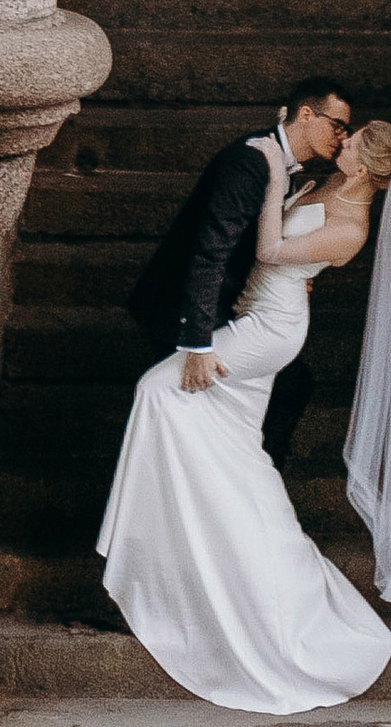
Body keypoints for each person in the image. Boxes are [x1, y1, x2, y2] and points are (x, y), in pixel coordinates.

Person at [97, 117, 391, 713]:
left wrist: (273, 176)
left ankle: (160, 555)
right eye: (342, 131)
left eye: (351, 140)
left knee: (158, 391)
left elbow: (272, 250)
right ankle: (178, 556)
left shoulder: (351, 225)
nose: (341, 141)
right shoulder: (330, 189)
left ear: (365, 164)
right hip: (252, 316)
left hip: (270, 332)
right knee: (233, 450)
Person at [126, 77, 352, 470]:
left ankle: (254, 489)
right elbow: (210, 251)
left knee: (288, 388)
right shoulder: (251, 161)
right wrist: (197, 344)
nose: (342, 136)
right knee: (201, 419)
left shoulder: (282, 163)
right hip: (184, 311)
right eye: (337, 124)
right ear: (305, 114)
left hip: (229, 307)